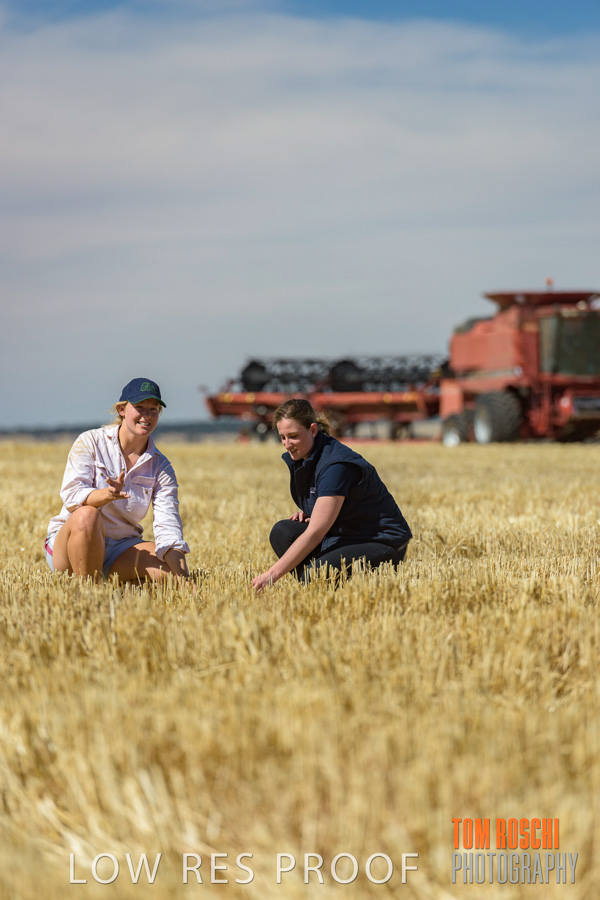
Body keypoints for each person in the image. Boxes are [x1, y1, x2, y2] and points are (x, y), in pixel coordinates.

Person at [252, 399, 412, 592]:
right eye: (282, 437)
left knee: (316, 576)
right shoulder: (307, 455)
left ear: (313, 430)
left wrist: (271, 575)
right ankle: (316, 588)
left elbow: (316, 533)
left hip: (379, 542)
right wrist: (313, 510)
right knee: (282, 532)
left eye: (293, 436)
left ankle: (314, 584)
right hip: (345, 535)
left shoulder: (336, 466)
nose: (287, 444)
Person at [44, 378, 190, 583]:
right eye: (139, 407)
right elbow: (72, 496)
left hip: (122, 547)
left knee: (172, 574)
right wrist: (107, 494)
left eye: (153, 409)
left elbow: (168, 526)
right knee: (87, 515)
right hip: (72, 543)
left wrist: (185, 580)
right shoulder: (90, 441)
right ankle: (88, 591)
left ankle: (113, 581)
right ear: (122, 410)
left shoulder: (161, 466)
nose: (147, 416)